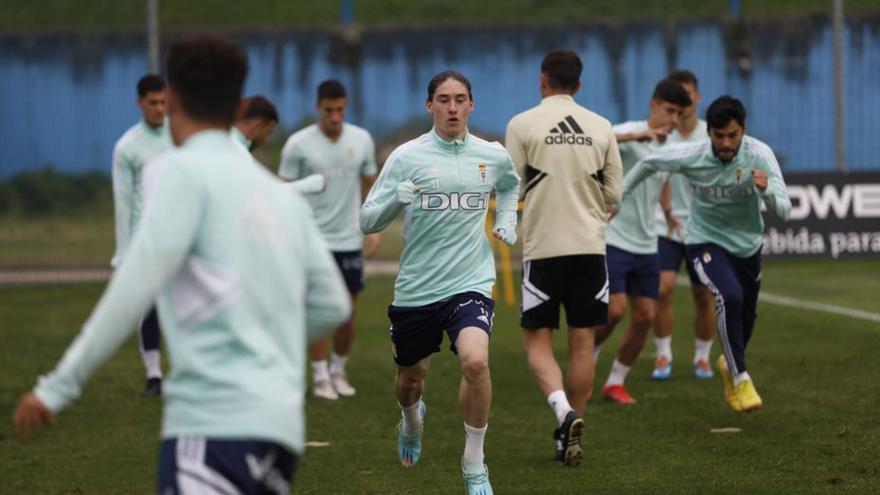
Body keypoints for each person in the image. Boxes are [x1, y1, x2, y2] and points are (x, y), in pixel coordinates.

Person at [12, 36, 351, 493]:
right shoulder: (275, 193)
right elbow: (332, 303)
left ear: (170, 100)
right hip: (280, 429)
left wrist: (57, 388)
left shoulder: (179, 173)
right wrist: (264, 349)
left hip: (212, 426)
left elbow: (131, 291)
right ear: (237, 107)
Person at [360, 70, 519, 494]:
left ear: (471, 105)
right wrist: (398, 197)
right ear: (429, 105)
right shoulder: (405, 157)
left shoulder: (492, 154)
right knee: (411, 378)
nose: (452, 107)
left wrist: (506, 220)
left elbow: (508, 185)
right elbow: (366, 220)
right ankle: (412, 422)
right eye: (444, 100)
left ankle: (474, 462)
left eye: (460, 99)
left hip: (470, 282)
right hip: (417, 289)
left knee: (476, 361)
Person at [619, 95, 790, 412]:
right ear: (708, 132)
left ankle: (730, 364)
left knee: (746, 316)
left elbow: (785, 211)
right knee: (730, 296)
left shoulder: (759, 155)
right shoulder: (692, 154)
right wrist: (618, 197)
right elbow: (647, 163)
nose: (726, 143)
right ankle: (741, 378)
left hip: (748, 245)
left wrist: (766, 191)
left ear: (743, 131)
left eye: (732, 135)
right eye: (719, 135)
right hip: (703, 239)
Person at [504, 48, 622, 466]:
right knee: (583, 343)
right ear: (580, 83)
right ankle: (573, 431)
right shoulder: (602, 126)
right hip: (590, 248)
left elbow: (510, 187)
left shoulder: (521, 124)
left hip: (544, 250)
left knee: (537, 342)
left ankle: (563, 412)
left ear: (542, 80)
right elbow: (615, 195)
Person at [593, 78, 692, 405]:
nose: (673, 120)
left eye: (678, 114)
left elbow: (661, 178)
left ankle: (616, 381)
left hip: (649, 242)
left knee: (646, 316)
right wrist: (641, 136)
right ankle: (588, 354)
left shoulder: (671, 146)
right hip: (615, 238)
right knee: (616, 310)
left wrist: (668, 211)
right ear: (653, 105)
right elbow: (596, 143)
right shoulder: (629, 132)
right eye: (669, 111)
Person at [279, 80, 380, 400]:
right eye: (328, 110)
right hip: (312, 241)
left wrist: (373, 229)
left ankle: (338, 370)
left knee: (347, 316)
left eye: (339, 110)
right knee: (319, 310)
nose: (334, 116)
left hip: (349, 240)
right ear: (317, 108)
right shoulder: (298, 145)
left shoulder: (361, 139)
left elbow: (370, 186)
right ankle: (321, 377)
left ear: (346, 107)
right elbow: (284, 192)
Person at [650, 70, 716, 381]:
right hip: (667, 227)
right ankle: (663, 355)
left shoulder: (711, 134)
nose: (683, 102)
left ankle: (702, 357)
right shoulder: (664, 133)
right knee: (662, 290)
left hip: (703, 230)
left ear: (697, 98)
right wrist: (665, 208)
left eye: (687, 96)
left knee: (704, 295)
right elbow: (658, 174)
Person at [110, 73, 173, 396]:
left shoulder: (181, 135)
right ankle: (154, 376)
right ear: (140, 103)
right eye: (153, 103)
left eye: (164, 102)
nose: (159, 108)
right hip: (144, 241)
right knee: (150, 307)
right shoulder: (127, 147)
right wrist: (123, 254)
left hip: (182, 235)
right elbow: (122, 202)